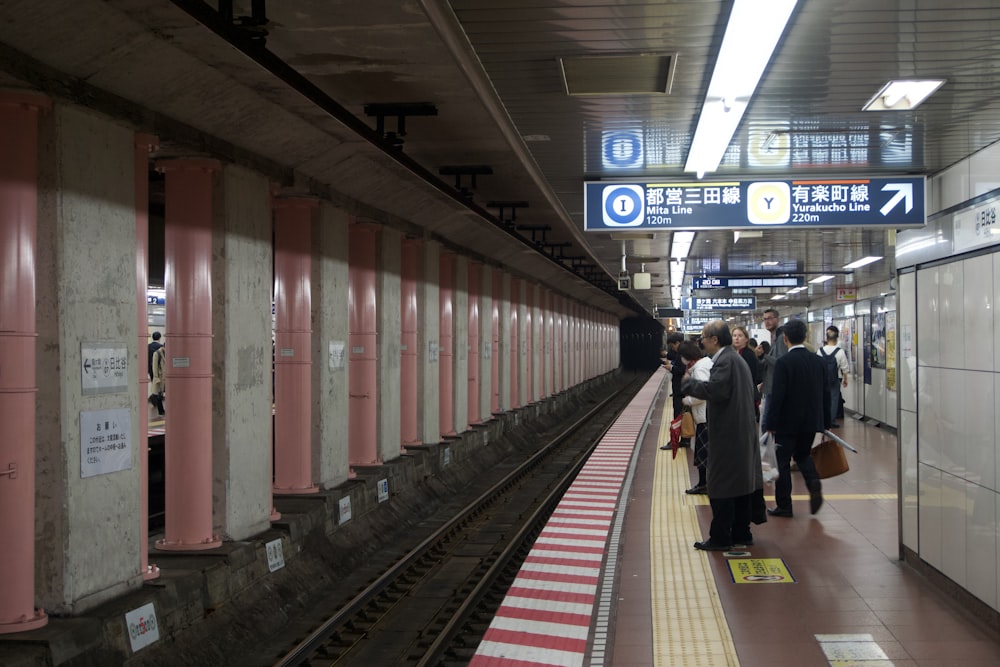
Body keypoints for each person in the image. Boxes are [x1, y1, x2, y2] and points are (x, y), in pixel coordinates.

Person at [682, 320, 763, 550]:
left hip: (729, 433)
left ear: (714, 339)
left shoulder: (725, 361)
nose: (702, 341)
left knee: (721, 485)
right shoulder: (734, 359)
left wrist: (689, 384)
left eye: (704, 337)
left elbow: (716, 390)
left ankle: (720, 537)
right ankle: (741, 533)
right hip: (739, 430)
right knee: (739, 485)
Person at [761, 318, 832, 517]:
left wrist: (770, 423)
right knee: (803, 455)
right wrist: (826, 422)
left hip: (787, 423)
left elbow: (778, 395)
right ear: (805, 336)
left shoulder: (784, 363)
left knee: (782, 462)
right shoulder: (818, 361)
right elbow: (826, 394)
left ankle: (785, 505)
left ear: (785, 339)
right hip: (811, 421)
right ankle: (813, 481)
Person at [678, 340, 711, 495]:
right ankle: (704, 483)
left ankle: (704, 484)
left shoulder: (700, 369)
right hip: (706, 415)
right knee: (703, 452)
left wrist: (687, 400)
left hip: (704, 416)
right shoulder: (704, 365)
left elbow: (703, 392)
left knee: (703, 453)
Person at [817, 325, 849, 427]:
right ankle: (831, 421)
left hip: (822, 379)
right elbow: (844, 367)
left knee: (822, 399)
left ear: (826, 338)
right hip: (835, 379)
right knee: (834, 399)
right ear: (837, 338)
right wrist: (845, 379)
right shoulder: (840, 351)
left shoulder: (820, 351)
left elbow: (817, 365)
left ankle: (822, 420)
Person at [149, 343, 166, 416]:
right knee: (159, 395)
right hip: (160, 377)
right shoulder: (157, 353)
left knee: (161, 394)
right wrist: (156, 378)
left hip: (166, 378)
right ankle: (161, 411)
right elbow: (154, 367)